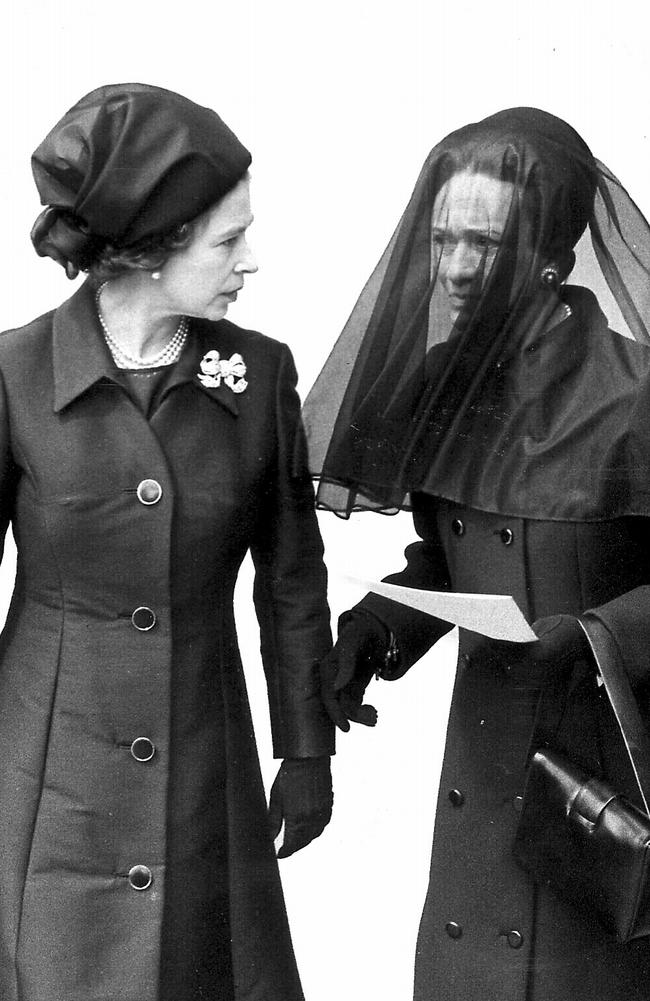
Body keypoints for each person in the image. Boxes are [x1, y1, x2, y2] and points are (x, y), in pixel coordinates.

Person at [304, 108, 650, 1000]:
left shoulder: (639, 396)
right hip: (482, 769)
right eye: (444, 238)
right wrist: (376, 630)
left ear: (549, 254)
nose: (453, 267)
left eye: (484, 244)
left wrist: (597, 635)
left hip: (605, 782)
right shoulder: (439, 383)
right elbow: (452, 560)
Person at [0, 83, 334, 1001]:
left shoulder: (259, 373)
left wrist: (308, 748)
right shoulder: (14, 373)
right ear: (152, 249)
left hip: (202, 761)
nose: (250, 260)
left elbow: (292, 579)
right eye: (229, 240)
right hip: (39, 771)